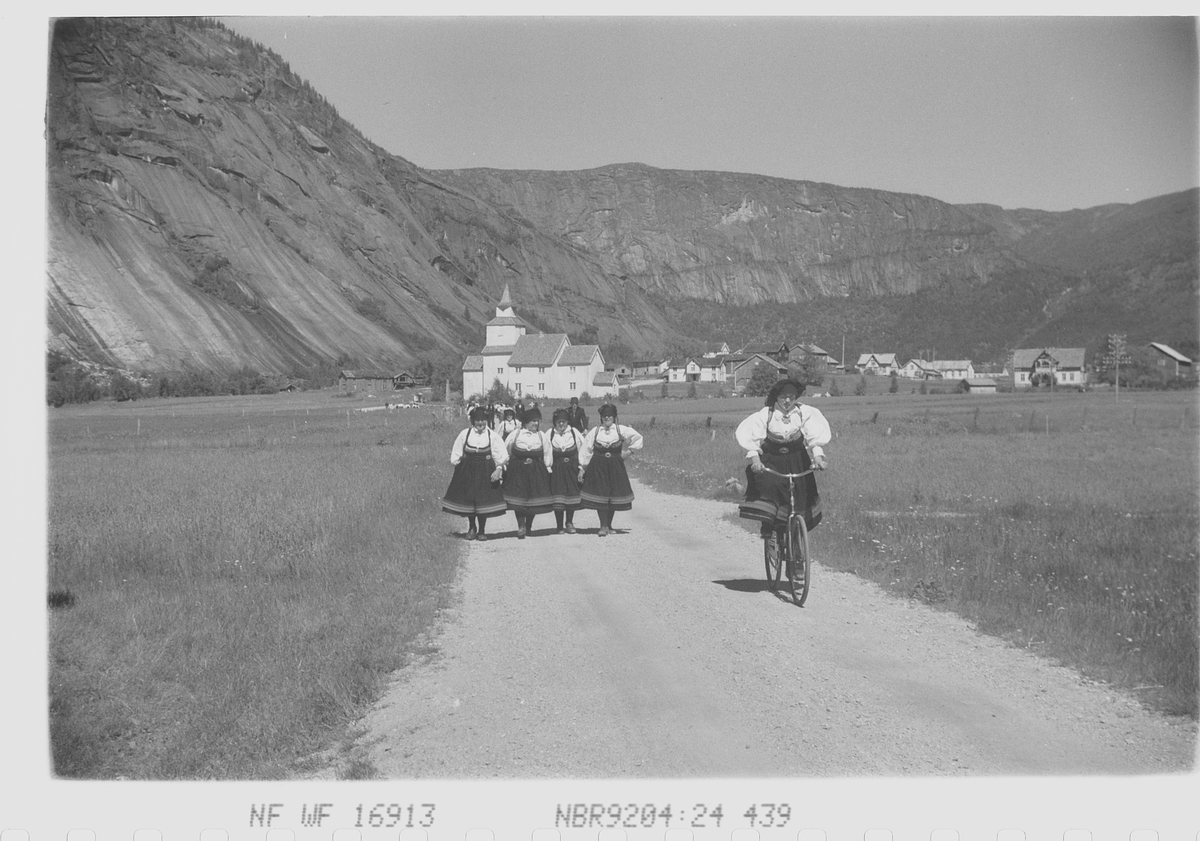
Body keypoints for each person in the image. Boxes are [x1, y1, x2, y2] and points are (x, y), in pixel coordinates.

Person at [734, 378, 831, 551]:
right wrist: (756, 461)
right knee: (771, 486)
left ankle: (797, 546)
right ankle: (769, 528)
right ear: (776, 397)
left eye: (791, 397)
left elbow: (814, 439)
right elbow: (752, 439)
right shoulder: (766, 414)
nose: (787, 401)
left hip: (797, 458)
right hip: (772, 458)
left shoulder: (804, 413)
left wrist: (818, 458)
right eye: (783, 397)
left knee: (802, 492)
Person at [440, 406, 508, 541]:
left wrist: (498, 469)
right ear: (473, 421)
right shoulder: (465, 434)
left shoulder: (492, 436)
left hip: (486, 470)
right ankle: (472, 527)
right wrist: (459, 466)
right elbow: (456, 452)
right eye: (478, 420)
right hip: (468, 470)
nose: (481, 423)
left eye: (483, 420)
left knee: (483, 500)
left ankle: (482, 530)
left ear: (487, 421)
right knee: (469, 499)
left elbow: (502, 455)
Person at [578, 403, 643, 537]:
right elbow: (586, 450)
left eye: (610, 416)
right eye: (604, 416)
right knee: (601, 495)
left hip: (615, 466)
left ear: (614, 417)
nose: (607, 418)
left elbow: (638, 438)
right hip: (598, 466)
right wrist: (582, 468)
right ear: (601, 417)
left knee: (613, 495)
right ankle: (602, 526)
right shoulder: (595, 432)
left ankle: (609, 524)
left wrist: (629, 451)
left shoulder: (620, 430)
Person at [502, 407, 554, 538]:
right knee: (519, 500)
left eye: (537, 421)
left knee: (533, 500)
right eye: (532, 421)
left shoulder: (542, 436)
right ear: (525, 422)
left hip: (536, 470)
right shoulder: (516, 434)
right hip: (518, 470)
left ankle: (529, 525)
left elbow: (548, 453)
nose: (535, 424)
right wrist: (506, 466)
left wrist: (547, 469)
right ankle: (521, 526)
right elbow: (506, 449)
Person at [547, 408, 586, 533]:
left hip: (572, 469)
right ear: (555, 422)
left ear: (568, 422)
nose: (561, 424)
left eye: (564, 421)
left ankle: (569, 522)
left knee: (571, 497)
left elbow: (584, 450)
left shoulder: (574, 433)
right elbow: (545, 452)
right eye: (559, 421)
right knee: (558, 498)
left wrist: (582, 468)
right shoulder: (550, 434)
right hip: (556, 470)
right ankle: (559, 526)